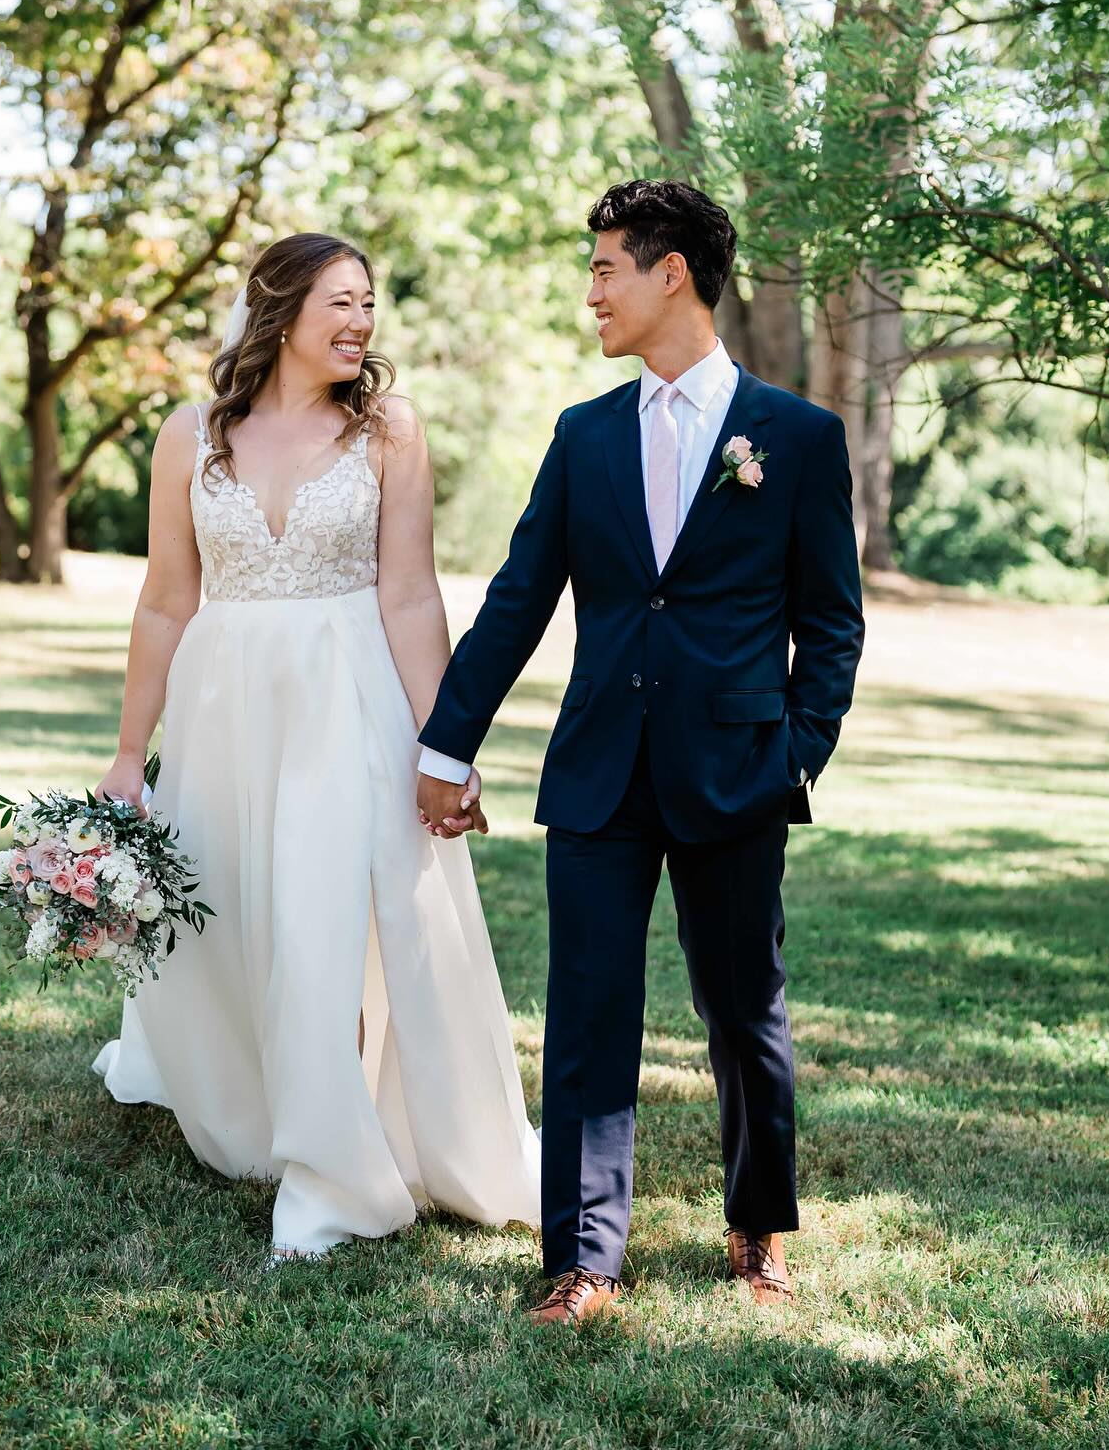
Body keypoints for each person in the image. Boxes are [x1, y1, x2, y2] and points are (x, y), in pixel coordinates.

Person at [417, 179, 864, 1323]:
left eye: (607, 267)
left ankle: (758, 1231)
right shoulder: (584, 437)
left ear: (675, 273)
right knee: (589, 1015)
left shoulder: (800, 438)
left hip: (737, 773)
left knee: (743, 1009)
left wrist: (797, 751)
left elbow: (832, 618)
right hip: (600, 771)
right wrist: (446, 743)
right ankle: (584, 1262)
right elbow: (519, 600)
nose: (591, 293)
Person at [91, 233, 539, 1263]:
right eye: (340, 301)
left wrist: (447, 746)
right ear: (278, 308)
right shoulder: (191, 436)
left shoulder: (389, 429)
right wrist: (128, 754)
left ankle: (334, 1173)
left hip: (351, 707)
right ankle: (274, 1110)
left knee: (325, 925)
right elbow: (166, 601)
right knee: (244, 923)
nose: (360, 322)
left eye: (370, 304)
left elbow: (411, 594)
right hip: (227, 716)